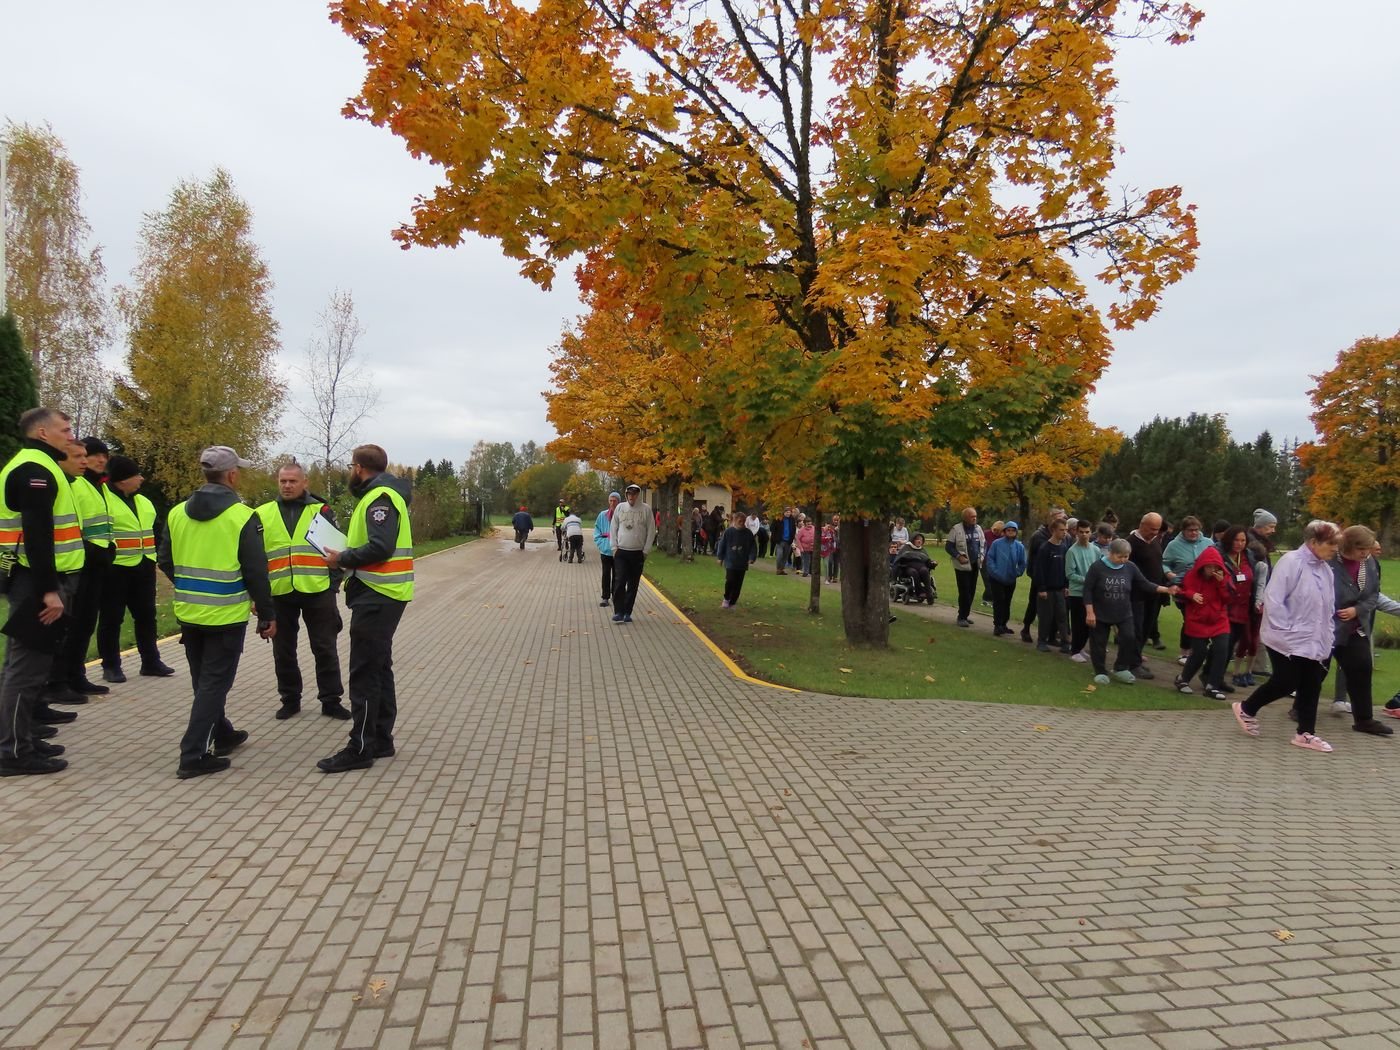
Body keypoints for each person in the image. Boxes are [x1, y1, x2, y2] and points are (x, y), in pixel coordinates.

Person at [159, 446, 275, 779]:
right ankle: (192, 755)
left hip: (189, 611)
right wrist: (267, 614)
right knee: (213, 685)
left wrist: (187, 584)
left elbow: (165, 559)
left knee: (204, 682)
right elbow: (256, 571)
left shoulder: (177, 512)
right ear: (232, 475)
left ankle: (222, 733)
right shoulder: (242, 516)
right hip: (225, 615)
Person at [318, 444, 414, 772]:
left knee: (364, 673)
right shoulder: (381, 494)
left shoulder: (380, 498)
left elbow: (381, 547)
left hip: (378, 594)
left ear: (358, 467)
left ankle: (360, 748)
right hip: (382, 594)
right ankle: (380, 739)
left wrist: (341, 558)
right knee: (379, 667)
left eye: (351, 467)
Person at [0, 408, 84, 775]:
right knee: (26, 669)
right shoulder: (35, 470)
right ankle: (13, 752)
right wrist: (50, 591)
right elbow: (37, 536)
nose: (71, 435)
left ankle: (22, 739)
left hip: (30, 577)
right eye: (65, 430)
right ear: (43, 433)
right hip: (36, 581)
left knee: (22, 664)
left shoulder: (33, 465)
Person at [1230, 520, 1343, 753]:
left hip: (1313, 637)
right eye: (1331, 543)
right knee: (1287, 680)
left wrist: (1327, 635)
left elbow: (1327, 606)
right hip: (1285, 637)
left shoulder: (1325, 569)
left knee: (1313, 681)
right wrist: (1287, 631)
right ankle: (1246, 708)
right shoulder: (1292, 562)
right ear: (1314, 542)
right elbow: (1274, 599)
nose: (1335, 549)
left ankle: (1305, 733)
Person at [255, 463, 349, 722]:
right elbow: (253, 558)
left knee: (325, 648)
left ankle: (331, 701)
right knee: (283, 650)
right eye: (283, 481)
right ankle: (290, 699)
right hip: (280, 592)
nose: (287, 485)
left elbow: (338, 551)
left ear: (305, 482)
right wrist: (258, 597)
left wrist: (332, 586)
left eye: (293, 481)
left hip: (317, 591)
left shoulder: (321, 511)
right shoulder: (262, 513)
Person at [97, 455, 174, 682]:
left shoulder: (144, 502)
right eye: (135, 475)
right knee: (112, 619)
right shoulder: (104, 501)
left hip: (144, 567)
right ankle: (111, 665)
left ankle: (151, 661)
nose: (141, 478)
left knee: (147, 616)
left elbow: (154, 532)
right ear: (121, 480)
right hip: (115, 569)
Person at [52, 436, 114, 698]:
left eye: (104, 455)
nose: (100, 460)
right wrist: (93, 551)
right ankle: (58, 681)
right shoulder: (76, 485)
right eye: (93, 455)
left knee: (86, 622)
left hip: (97, 564)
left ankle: (77, 675)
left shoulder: (101, 486)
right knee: (71, 625)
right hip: (79, 563)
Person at [1327, 525, 1393, 736]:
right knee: (1314, 671)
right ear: (1348, 545)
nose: (1365, 553)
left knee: (1362, 669)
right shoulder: (1330, 561)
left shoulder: (1369, 563)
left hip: (1354, 627)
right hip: (1327, 626)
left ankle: (1364, 719)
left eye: (1368, 548)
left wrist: (1357, 610)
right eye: (1361, 549)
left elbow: (1373, 595)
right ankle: (1300, 708)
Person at [1083, 538, 1178, 685]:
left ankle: (1121, 668)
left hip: (1123, 612)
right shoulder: (1097, 567)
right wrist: (1090, 612)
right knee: (1099, 643)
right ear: (1110, 553)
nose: (1123, 560)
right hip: (1100, 612)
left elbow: (1144, 584)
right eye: (1119, 556)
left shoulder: (1130, 567)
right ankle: (1100, 671)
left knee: (1129, 638)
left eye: (1126, 556)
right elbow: (1088, 590)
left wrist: (1166, 589)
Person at [1174, 544, 1234, 699]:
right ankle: (1183, 679)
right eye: (1209, 567)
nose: (1212, 570)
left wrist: (1221, 583)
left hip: (1218, 619)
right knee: (1199, 652)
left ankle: (1212, 685)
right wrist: (1191, 594)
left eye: (1215, 566)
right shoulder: (1191, 576)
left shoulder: (1223, 577)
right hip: (1197, 619)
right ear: (1202, 566)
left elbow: (1228, 598)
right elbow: (1179, 590)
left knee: (1222, 650)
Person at [1235, 508, 1278, 684]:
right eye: (1270, 526)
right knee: (1246, 636)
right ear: (1260, 526)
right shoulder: (1252, 545)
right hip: (1249, 597)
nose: (1273, 530)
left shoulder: (1262, 544)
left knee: (1254, 636)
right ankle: (1242, 670)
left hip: (1259, 596)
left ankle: (1253, 668)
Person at [1162, 515, 1211, 662]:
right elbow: (1164, 563)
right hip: (1182, 587)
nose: (1194, 533)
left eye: (1196, 530)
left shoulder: (1208, 543)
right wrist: (1169, 574)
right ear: (1183, 530)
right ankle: (1184, 652)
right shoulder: (1173, 545)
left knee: (1203, 619)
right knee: (1189, 619)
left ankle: (1198, 652)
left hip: (1204, 587)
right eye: (1190, 530)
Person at [1126, 512, 1167, 675]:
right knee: (1135, 629)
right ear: (1142, 525)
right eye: (1152, 529)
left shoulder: (1156, 542)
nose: (1155, 533)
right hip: (1136, 595)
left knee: (1146, 628)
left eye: (1157, 529)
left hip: (1154, 594)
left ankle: (1136, 658)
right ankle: (1132, 663)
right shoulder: (1130, 544)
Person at [610, 484, 655, 623]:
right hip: (621, 551)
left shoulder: (646, 510)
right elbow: (613, 527)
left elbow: (651, 531)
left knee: (633, 584)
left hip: (637, 553)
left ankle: (627, 612)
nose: (631, 497)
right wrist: (614, 547)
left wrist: (646, 550)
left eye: (634, 494)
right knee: (619, 581)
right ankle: (618, 611)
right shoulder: (620, 508)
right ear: (626, 495)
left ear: (638, 495)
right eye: (629, 494)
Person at [1216, 526, 1254, 691]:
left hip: (1244, 607)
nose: (1239, 544)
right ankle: (1212, 677)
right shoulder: (1220, 555)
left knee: (1231, 645)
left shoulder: (1248, 556)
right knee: (1223, 644)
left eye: (1243, 540)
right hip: (1225, 606)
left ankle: (1218, 677)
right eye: (1236, 540)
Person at [1021, 508, 1065, 643]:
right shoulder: (1039, 536)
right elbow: (1034, 559)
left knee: (1055, 609)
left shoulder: (1065, 537)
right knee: (1034, 604)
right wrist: (1036, 578)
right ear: (1051, 519)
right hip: (1039, 577)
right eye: (1059, 518)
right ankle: (1026, 628)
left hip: (1056, 577)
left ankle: (1051, 635)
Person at [1032, 517, 1070, 653]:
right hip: (1047, 590)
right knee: (1045, 618)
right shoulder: (1045, 548)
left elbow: (1066, 568)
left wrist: (1066, 586)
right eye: (1061, 530)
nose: (1064, 533)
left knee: (1062, 617)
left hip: (1060, 590)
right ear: (1053, 530)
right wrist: (1041, 588)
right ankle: (1041, 641)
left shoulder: (1064, 547)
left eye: (1066, 530)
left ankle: (1066, 643)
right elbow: (1039, 570)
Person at [984, 522, 1026, 634]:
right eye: (1008, 530)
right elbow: (990, 559)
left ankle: (1004, 624)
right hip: (996, 578)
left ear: (1016, 532)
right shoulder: (996, 544)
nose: (1011, 532)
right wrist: (995, 572)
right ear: (1004, 531)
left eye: (1013, 530)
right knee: (999, 601)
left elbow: (1022, 563)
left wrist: (1017, 572)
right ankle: (997, 625)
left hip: (1010, 579)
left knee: (1007, 602)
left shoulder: (1019, 546)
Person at [1065, 519, 1098, 663]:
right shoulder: (1072, 551)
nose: (1084, 535)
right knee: (1078, 623)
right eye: (1081, 532)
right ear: (1076, 533)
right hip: (1077, 593)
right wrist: (1087, 580)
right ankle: (1074, 650)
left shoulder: (1095, 550)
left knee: (1088, 624)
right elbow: (1070, 574)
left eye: (1087, 532)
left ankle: (1080, 648)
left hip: (1092, 593)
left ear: (1091, 532)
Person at [946, 507, 983, 627]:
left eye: (975, 516)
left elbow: (983, 544)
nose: (975, 518)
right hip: (962, 566)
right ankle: (961, 616)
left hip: (975, 564)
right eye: (972, 516)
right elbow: (949, 547)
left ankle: (965, 615)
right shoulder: (956, 529)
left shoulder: (978, 529)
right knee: (964, 591)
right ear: (965, 518)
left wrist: (982, 555)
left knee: (971, 590)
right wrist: (958, 556)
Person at [715, 510, 758, 609]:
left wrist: (752, 558)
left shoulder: (748, 533)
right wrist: (720, 557)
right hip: (730, 561)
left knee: (738, 583)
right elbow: (722, 544)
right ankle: (726, 598)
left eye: (743, 521)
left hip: (742, 562)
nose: (742, 523)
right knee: (730, 580)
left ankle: (733, 602)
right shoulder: (729, 532)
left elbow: (753, 547)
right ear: (734, 520)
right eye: (739, 521)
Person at [894, 534, 937, 604]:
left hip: (921, 567)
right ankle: (919, 592)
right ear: (913, 540)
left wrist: (932, 563)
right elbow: (899, 560)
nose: (919, 541)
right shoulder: (906, 547)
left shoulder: (922, 549)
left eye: (921, 540)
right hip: (908, 568)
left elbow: (927, 560)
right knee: (914, 572)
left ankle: (929, 594)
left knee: (925, 570)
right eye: (917, 539)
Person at [594, 492, 618, 607]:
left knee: (618, 575)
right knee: (606, 574)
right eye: (611, 500)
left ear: (618, 501)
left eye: (615, 500)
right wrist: (601, 544)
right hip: (605, 550)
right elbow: (597, 529)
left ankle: (616, 596)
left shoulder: (622, 514)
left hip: (618, 551)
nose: (613, 503)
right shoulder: (602, 515)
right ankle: (605, 597)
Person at [824, 514, 841, 583]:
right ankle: (829, 576)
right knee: (830, 561)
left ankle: (835, 577)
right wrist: (834, 530)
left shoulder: (841, 527)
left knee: (836, 562)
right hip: (830, 547)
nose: (836, 521)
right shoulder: (829, 527)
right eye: (835, 520)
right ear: (832, 520)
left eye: (837, 520)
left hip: (838, 547)